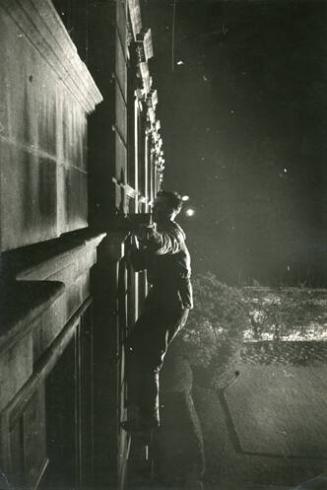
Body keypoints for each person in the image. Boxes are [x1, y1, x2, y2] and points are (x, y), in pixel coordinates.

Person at [121, 191, 193, 432]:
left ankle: (149, 419)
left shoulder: (173, 233)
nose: (157, 210)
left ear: (174, 212)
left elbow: (162, 244)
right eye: (156, 206)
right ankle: (140, 411)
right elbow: (139, 263)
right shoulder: (161, 231)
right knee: (135, 345)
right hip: (162, 299)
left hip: (172, 302)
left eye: (163, 208)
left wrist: (148, 232)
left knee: (150, 358)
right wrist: (133, 233)